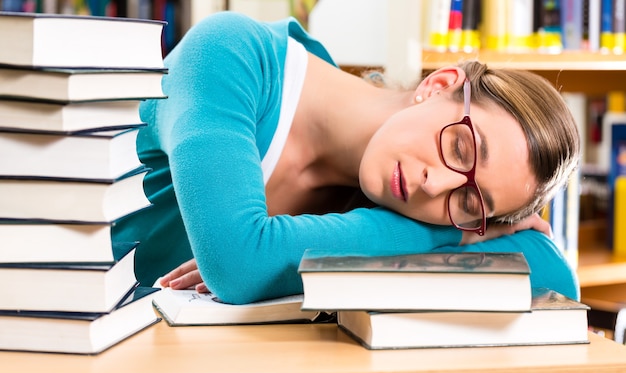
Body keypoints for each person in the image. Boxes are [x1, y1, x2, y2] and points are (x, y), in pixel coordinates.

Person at [112, 11, 581, 304]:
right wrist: (439, 234)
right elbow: (239, 264)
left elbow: (556, 279)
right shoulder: (228, 54)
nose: (435, 186)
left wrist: (449, 227)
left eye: (471, 203)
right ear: (438, 85)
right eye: (460, 148)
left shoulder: (390, 198)